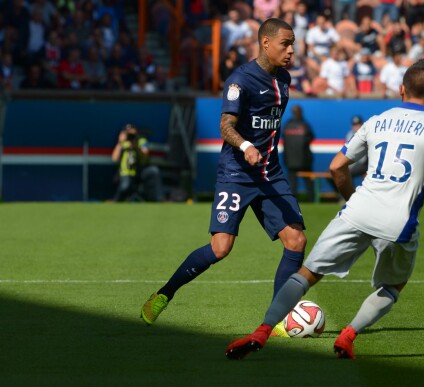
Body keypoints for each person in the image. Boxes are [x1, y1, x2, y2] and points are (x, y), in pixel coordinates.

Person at [225, 59, 424, 360]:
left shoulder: (376, 121)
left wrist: (352, 200)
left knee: (307, 273)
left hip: (357, 210)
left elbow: (336, 167)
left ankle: (262, 331)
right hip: (397, 221)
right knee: (394, 284)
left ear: (401, 89)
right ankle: (349, 335)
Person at [141, 19, 307, 337]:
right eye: (285, 43)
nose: (291, 50)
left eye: (293, 43)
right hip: (236, 173)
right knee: (220, 248)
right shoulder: (240, 80)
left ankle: (275, 320)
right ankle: (164, 293)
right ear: (266, 43)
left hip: (270, 174)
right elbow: (225, 126)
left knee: (296, 240)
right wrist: (246, 146)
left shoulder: (284, 79)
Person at [111, 124, 164, 202]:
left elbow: (145, 154)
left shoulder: (141, 141)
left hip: (140, 171)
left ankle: (159, 199)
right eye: (128, 133)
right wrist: (120, 143)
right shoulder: (123, 143)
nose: (131, 135)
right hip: (127, 172)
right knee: (125, 186)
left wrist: (136, 147)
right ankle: (116, 201)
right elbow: (114, 158)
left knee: (154, 171)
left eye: (133, 132)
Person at [282, 105, 315, 202]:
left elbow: (284, 140)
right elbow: (311, 137)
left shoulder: (287, 125)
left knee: (292, 183)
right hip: (304, 159)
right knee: (308, 181)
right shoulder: (305, 125)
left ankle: (293, 201)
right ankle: (311, 199)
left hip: (290, 159)